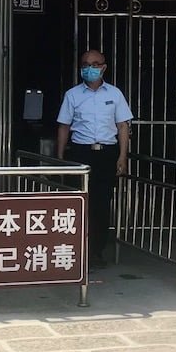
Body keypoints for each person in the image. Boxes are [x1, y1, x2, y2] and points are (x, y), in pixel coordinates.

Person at [56, 48, 132, 267]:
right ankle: (76, 248)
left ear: (104, 67)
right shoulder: (73, 95)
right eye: (86, 64)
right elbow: (64, 126)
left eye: (95, 64)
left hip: (106, 153)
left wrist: (122, 156)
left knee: (101, 203)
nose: (90, 68)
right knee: (80, 203)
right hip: (81, 153)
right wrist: (60, 159)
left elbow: (122, 126)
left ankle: (96, 251)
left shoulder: (115, 94)